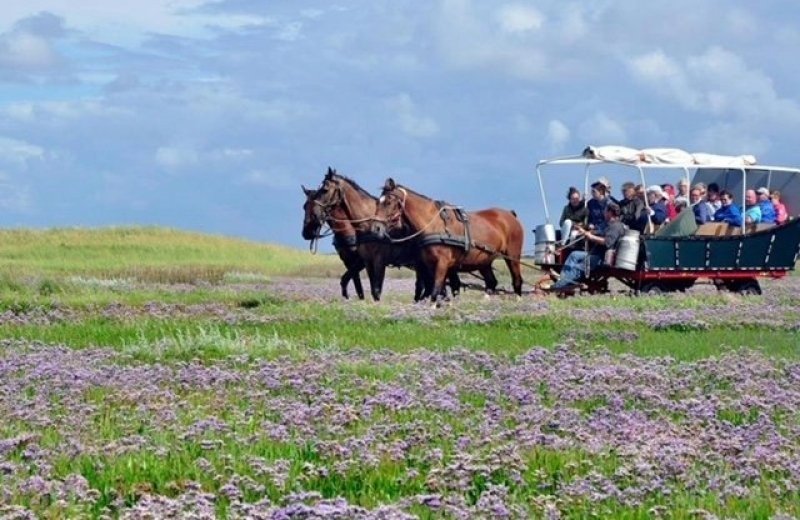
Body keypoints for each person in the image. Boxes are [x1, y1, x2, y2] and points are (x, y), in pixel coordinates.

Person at [549, 202, 626, 293]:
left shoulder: (616, 227)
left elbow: (607, 242)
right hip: (596, 254)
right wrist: (584, 231)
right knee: (574, 255)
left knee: (578, 267)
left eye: (605, 211)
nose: (604, 213)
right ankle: (563, 281)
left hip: (602, 258)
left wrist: (591, 237)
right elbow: (599, 231)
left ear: (610, 212)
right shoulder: (609, 224)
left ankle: (557, 287)